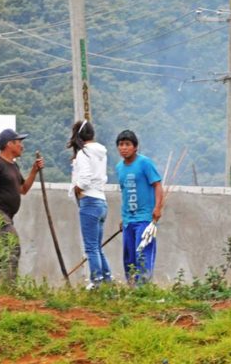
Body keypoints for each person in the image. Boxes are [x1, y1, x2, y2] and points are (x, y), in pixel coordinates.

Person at [0, 128, 44, 283]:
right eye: (19, 142)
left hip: (8, 216)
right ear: (9, 144)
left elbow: (23, 189)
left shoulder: (14, 167)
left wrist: (34, 171)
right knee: (12, 245)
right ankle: (9, 286)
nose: (22, 146)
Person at [67, 120, 112, 290]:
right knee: (98, 247)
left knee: (91, 247)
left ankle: (96, 282)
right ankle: (107, 280)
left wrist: (76, 189)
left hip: (90, 202)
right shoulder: (101, 152)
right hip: (101, 201)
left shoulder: (83, 153)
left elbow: (84, 179)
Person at [115, 130, 163, 284]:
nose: (124, 148)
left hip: (144, 218)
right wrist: (123, 218)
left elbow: (157, 185)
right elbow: (125, 193)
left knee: (142, 253)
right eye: (121, 144)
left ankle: (143, 289)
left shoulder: (145, 163)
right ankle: (132, 289)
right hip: (128, 220)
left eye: (127, 144)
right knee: (129, 258)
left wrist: (157, 208)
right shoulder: (119, 167)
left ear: (135, 147)